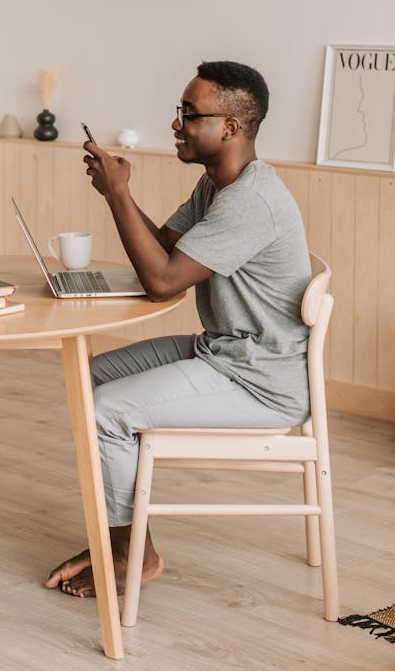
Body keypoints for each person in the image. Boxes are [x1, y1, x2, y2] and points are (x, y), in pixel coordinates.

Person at [45, 60, 312, 598]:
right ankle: (118, 534)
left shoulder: (250, 201)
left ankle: (132, 556)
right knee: (90, 377)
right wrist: (114, 193)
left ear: (230, 127)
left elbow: (163, 283)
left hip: (260, 380)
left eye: (190, 114)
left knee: (105, 413)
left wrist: (119, 194)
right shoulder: (215, 187)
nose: (177, 124)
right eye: (179, 112)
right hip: (225, 352)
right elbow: (166, 252)